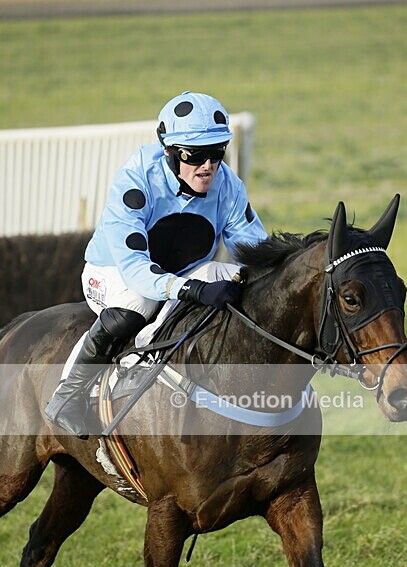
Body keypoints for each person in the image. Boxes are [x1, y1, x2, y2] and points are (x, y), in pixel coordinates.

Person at [45, 91, 268, 438]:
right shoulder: (136, 180)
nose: (208, 166)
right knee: (140, 302)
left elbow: (254, 250)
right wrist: (190, 289)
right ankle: (67, 396)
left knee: (229, 277)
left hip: (177, 275)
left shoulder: (228, 185)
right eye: (196, 156)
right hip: (114, 273)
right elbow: (135, 267)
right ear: (170, 151)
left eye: (216, 153)